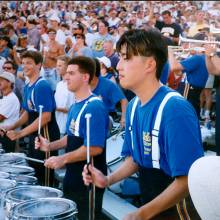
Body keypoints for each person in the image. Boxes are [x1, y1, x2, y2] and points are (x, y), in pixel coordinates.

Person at [82, 29, 204, 220]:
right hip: (151, 205)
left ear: (150, 64)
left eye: (125, 58)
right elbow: (136, 159)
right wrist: (108, 179)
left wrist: (142, 213)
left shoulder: (175, 109)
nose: (119, 66)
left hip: (178, 211)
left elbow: (187, 180)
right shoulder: (132, 106)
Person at [35, 56, 109, 220]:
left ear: (85, 77)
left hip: (88, 179)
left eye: (71, 73)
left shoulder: (94, 106)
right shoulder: (76, 105)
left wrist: (62, 159)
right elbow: (71, 138)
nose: (65, 76)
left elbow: (95, 147)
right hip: (73, 175)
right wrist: (49, 146)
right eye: (66, 73)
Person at [5, 50, 60, 185]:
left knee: (44, 176)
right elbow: (29, 112)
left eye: (29, 63)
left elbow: (46, 117)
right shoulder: (28, 86)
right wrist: (11, 126)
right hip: (34, 135)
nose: (25, 66)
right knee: (35, 172)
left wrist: (19, 133)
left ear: (39, 65)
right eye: (23, 63)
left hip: (46, 135)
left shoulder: (42, 86)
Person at [91, 58, 127, 127]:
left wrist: (123, 118)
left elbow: (124, 100)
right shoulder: (82, 84)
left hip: (107, 118)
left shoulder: (108, 84)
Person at [54, 55, 75, 137]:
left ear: (67, 67)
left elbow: (73, 109)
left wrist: (55, 108)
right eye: (57, 65)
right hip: (57, 126)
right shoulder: (59, 85)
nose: (57, 68)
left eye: (60, 65)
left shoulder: (73, 85)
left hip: (67, 128)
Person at [0, 71, 20, 153]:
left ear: (9, 83)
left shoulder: (11, 99)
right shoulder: (5, 97)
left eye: (2, 80)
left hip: (6, 136)